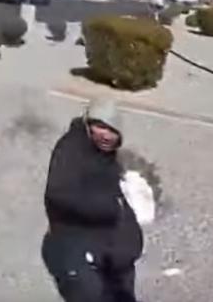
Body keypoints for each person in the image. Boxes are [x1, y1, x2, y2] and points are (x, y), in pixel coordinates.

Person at [42, 99, 143, 302]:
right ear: (88, 125)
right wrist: (107, 208)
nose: (105, 135)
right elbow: (57, 195)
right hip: (75, 243)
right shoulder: (70, 150)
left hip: (107, 249)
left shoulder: (104, 155)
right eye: (99, 126)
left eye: (111, 130)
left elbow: (114, 195)